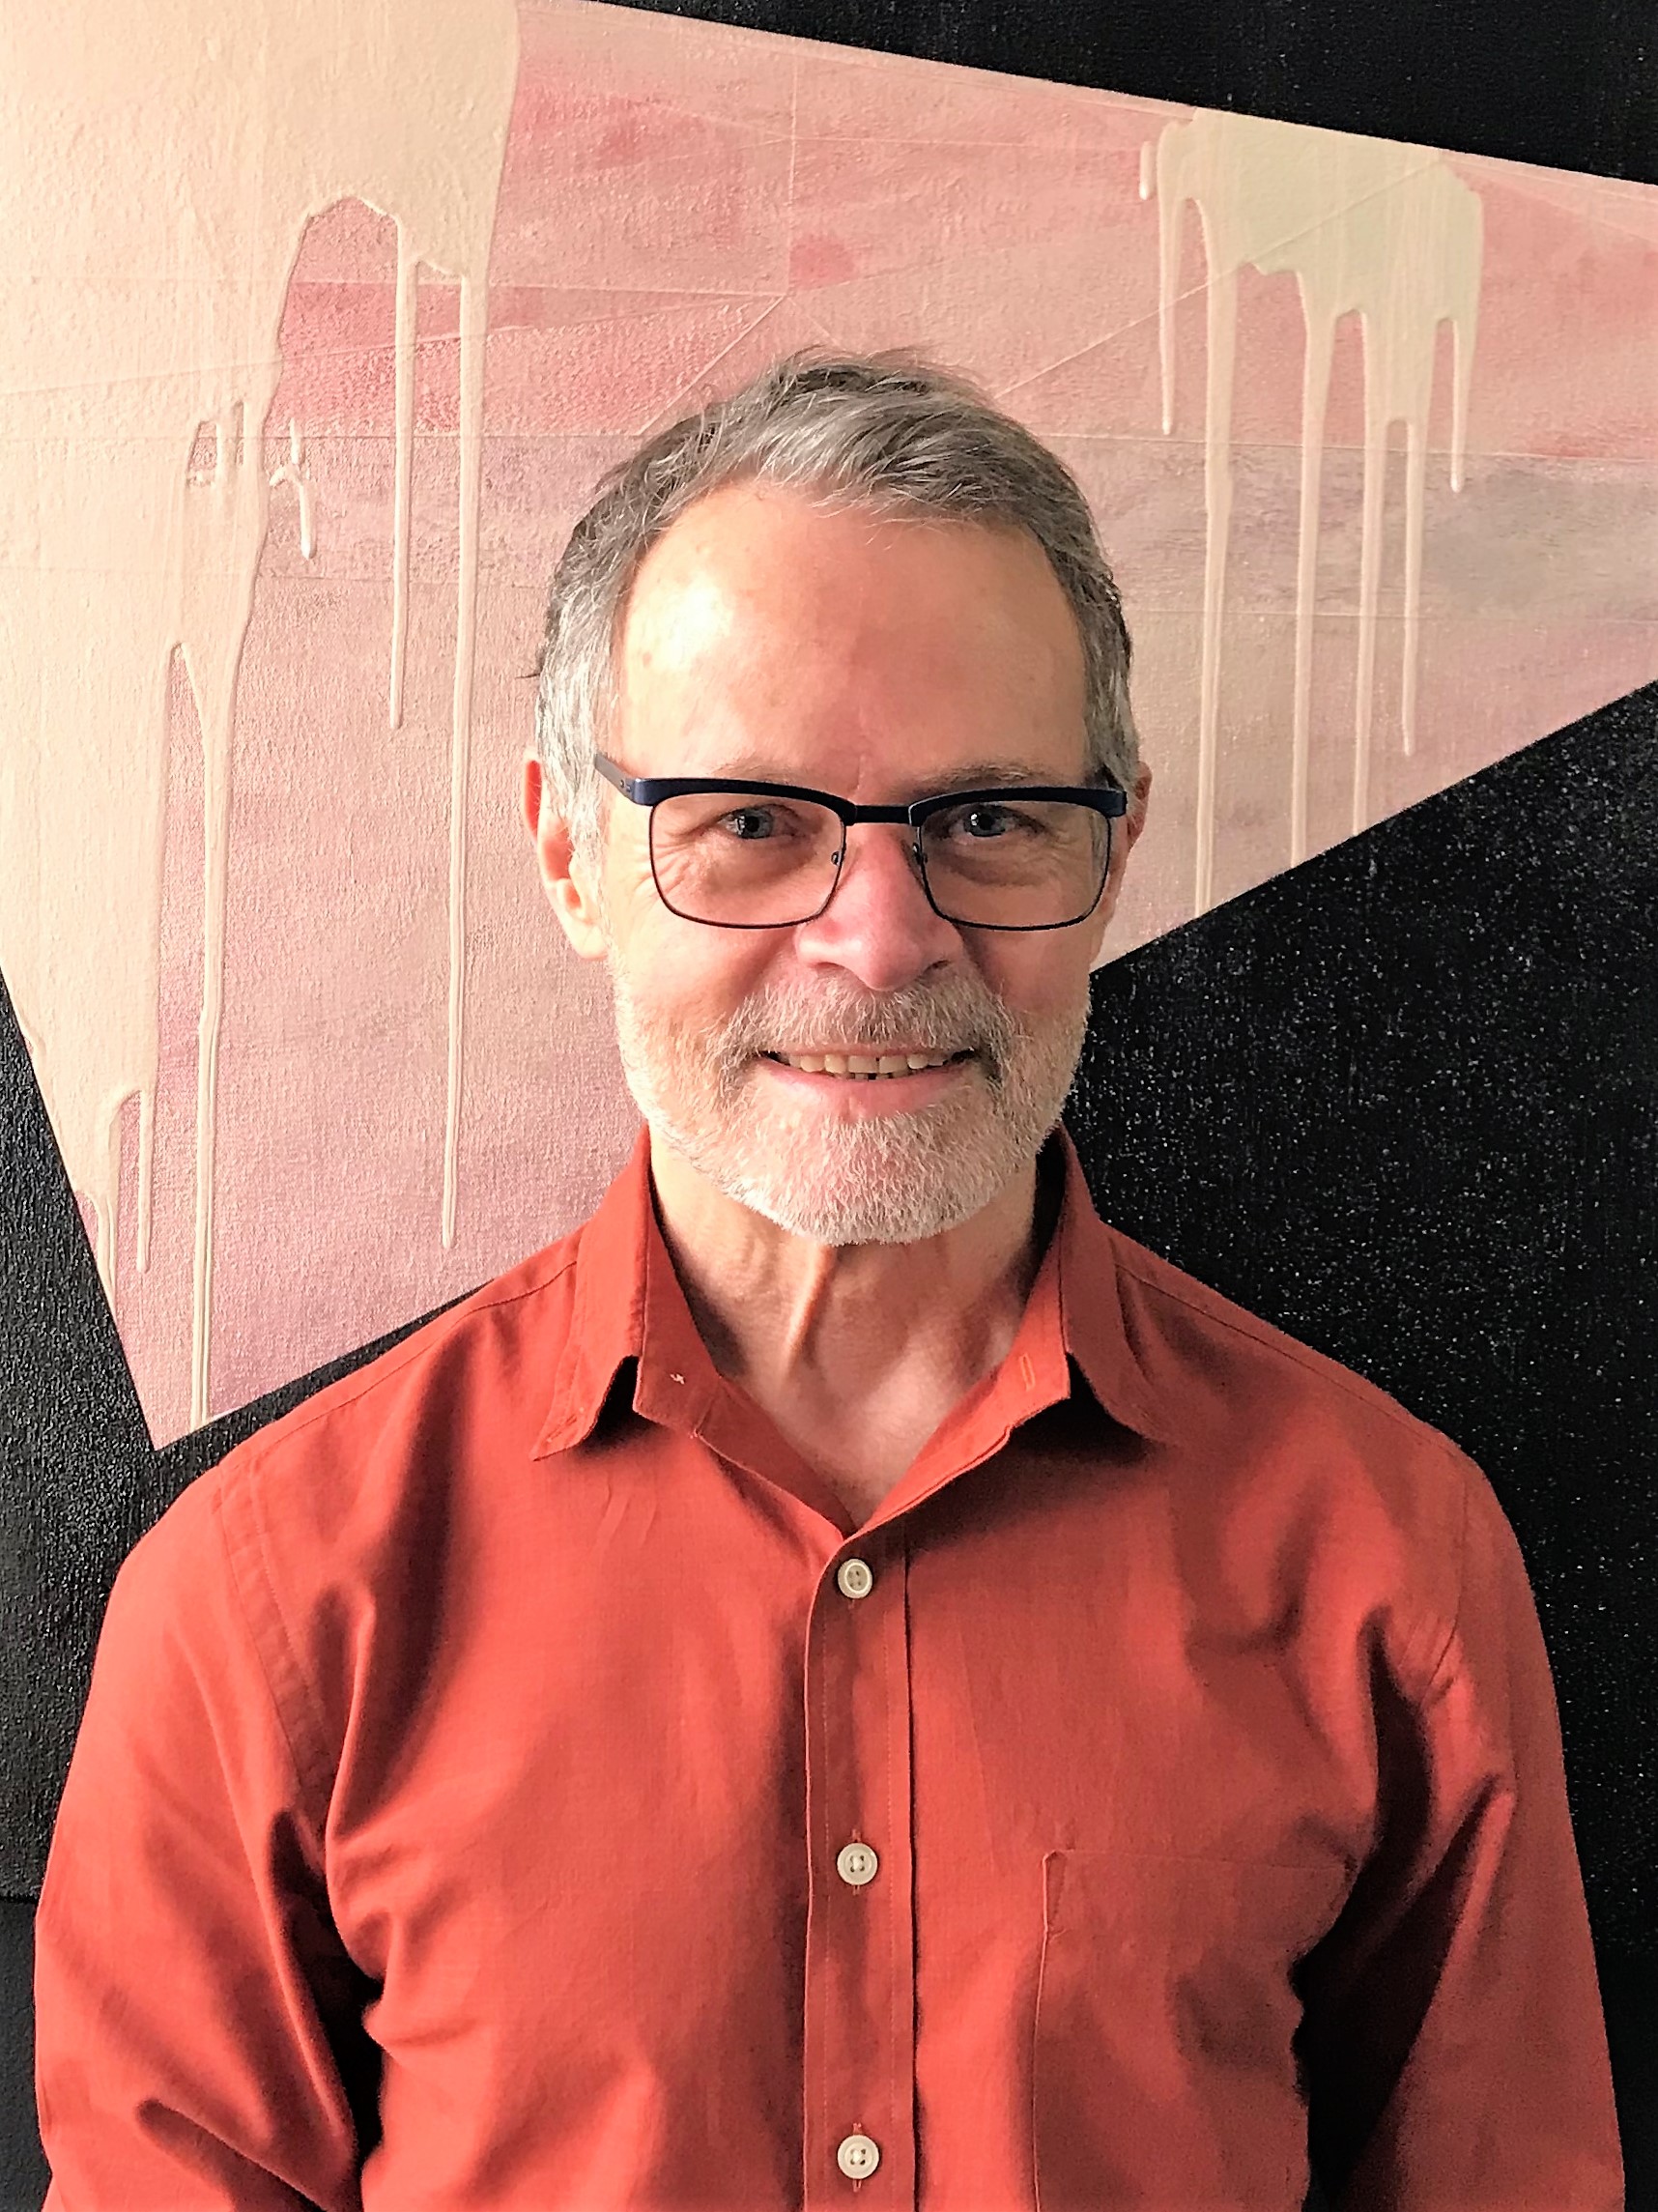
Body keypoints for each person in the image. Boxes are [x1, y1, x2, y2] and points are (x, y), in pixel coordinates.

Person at [34, 349, 1622, 2209]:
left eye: (988, 820)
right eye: (752, 822)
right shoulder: (266, 1602)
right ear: (569, 855)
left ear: (1115, 847)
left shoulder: (1388, 1556)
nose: (880, 939)